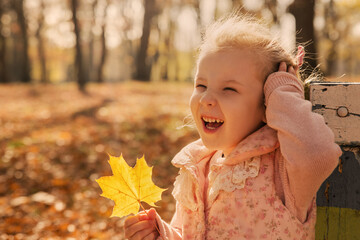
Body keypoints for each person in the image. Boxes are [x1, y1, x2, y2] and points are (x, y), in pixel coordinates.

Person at [124, 14, 342, 240]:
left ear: (268, 103)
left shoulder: (284, 168)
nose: (207, 98)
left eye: (229, 89)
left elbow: (319, 154)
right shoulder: (196, 168)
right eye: (201, 85)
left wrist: (283, 91)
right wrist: (162, 234)